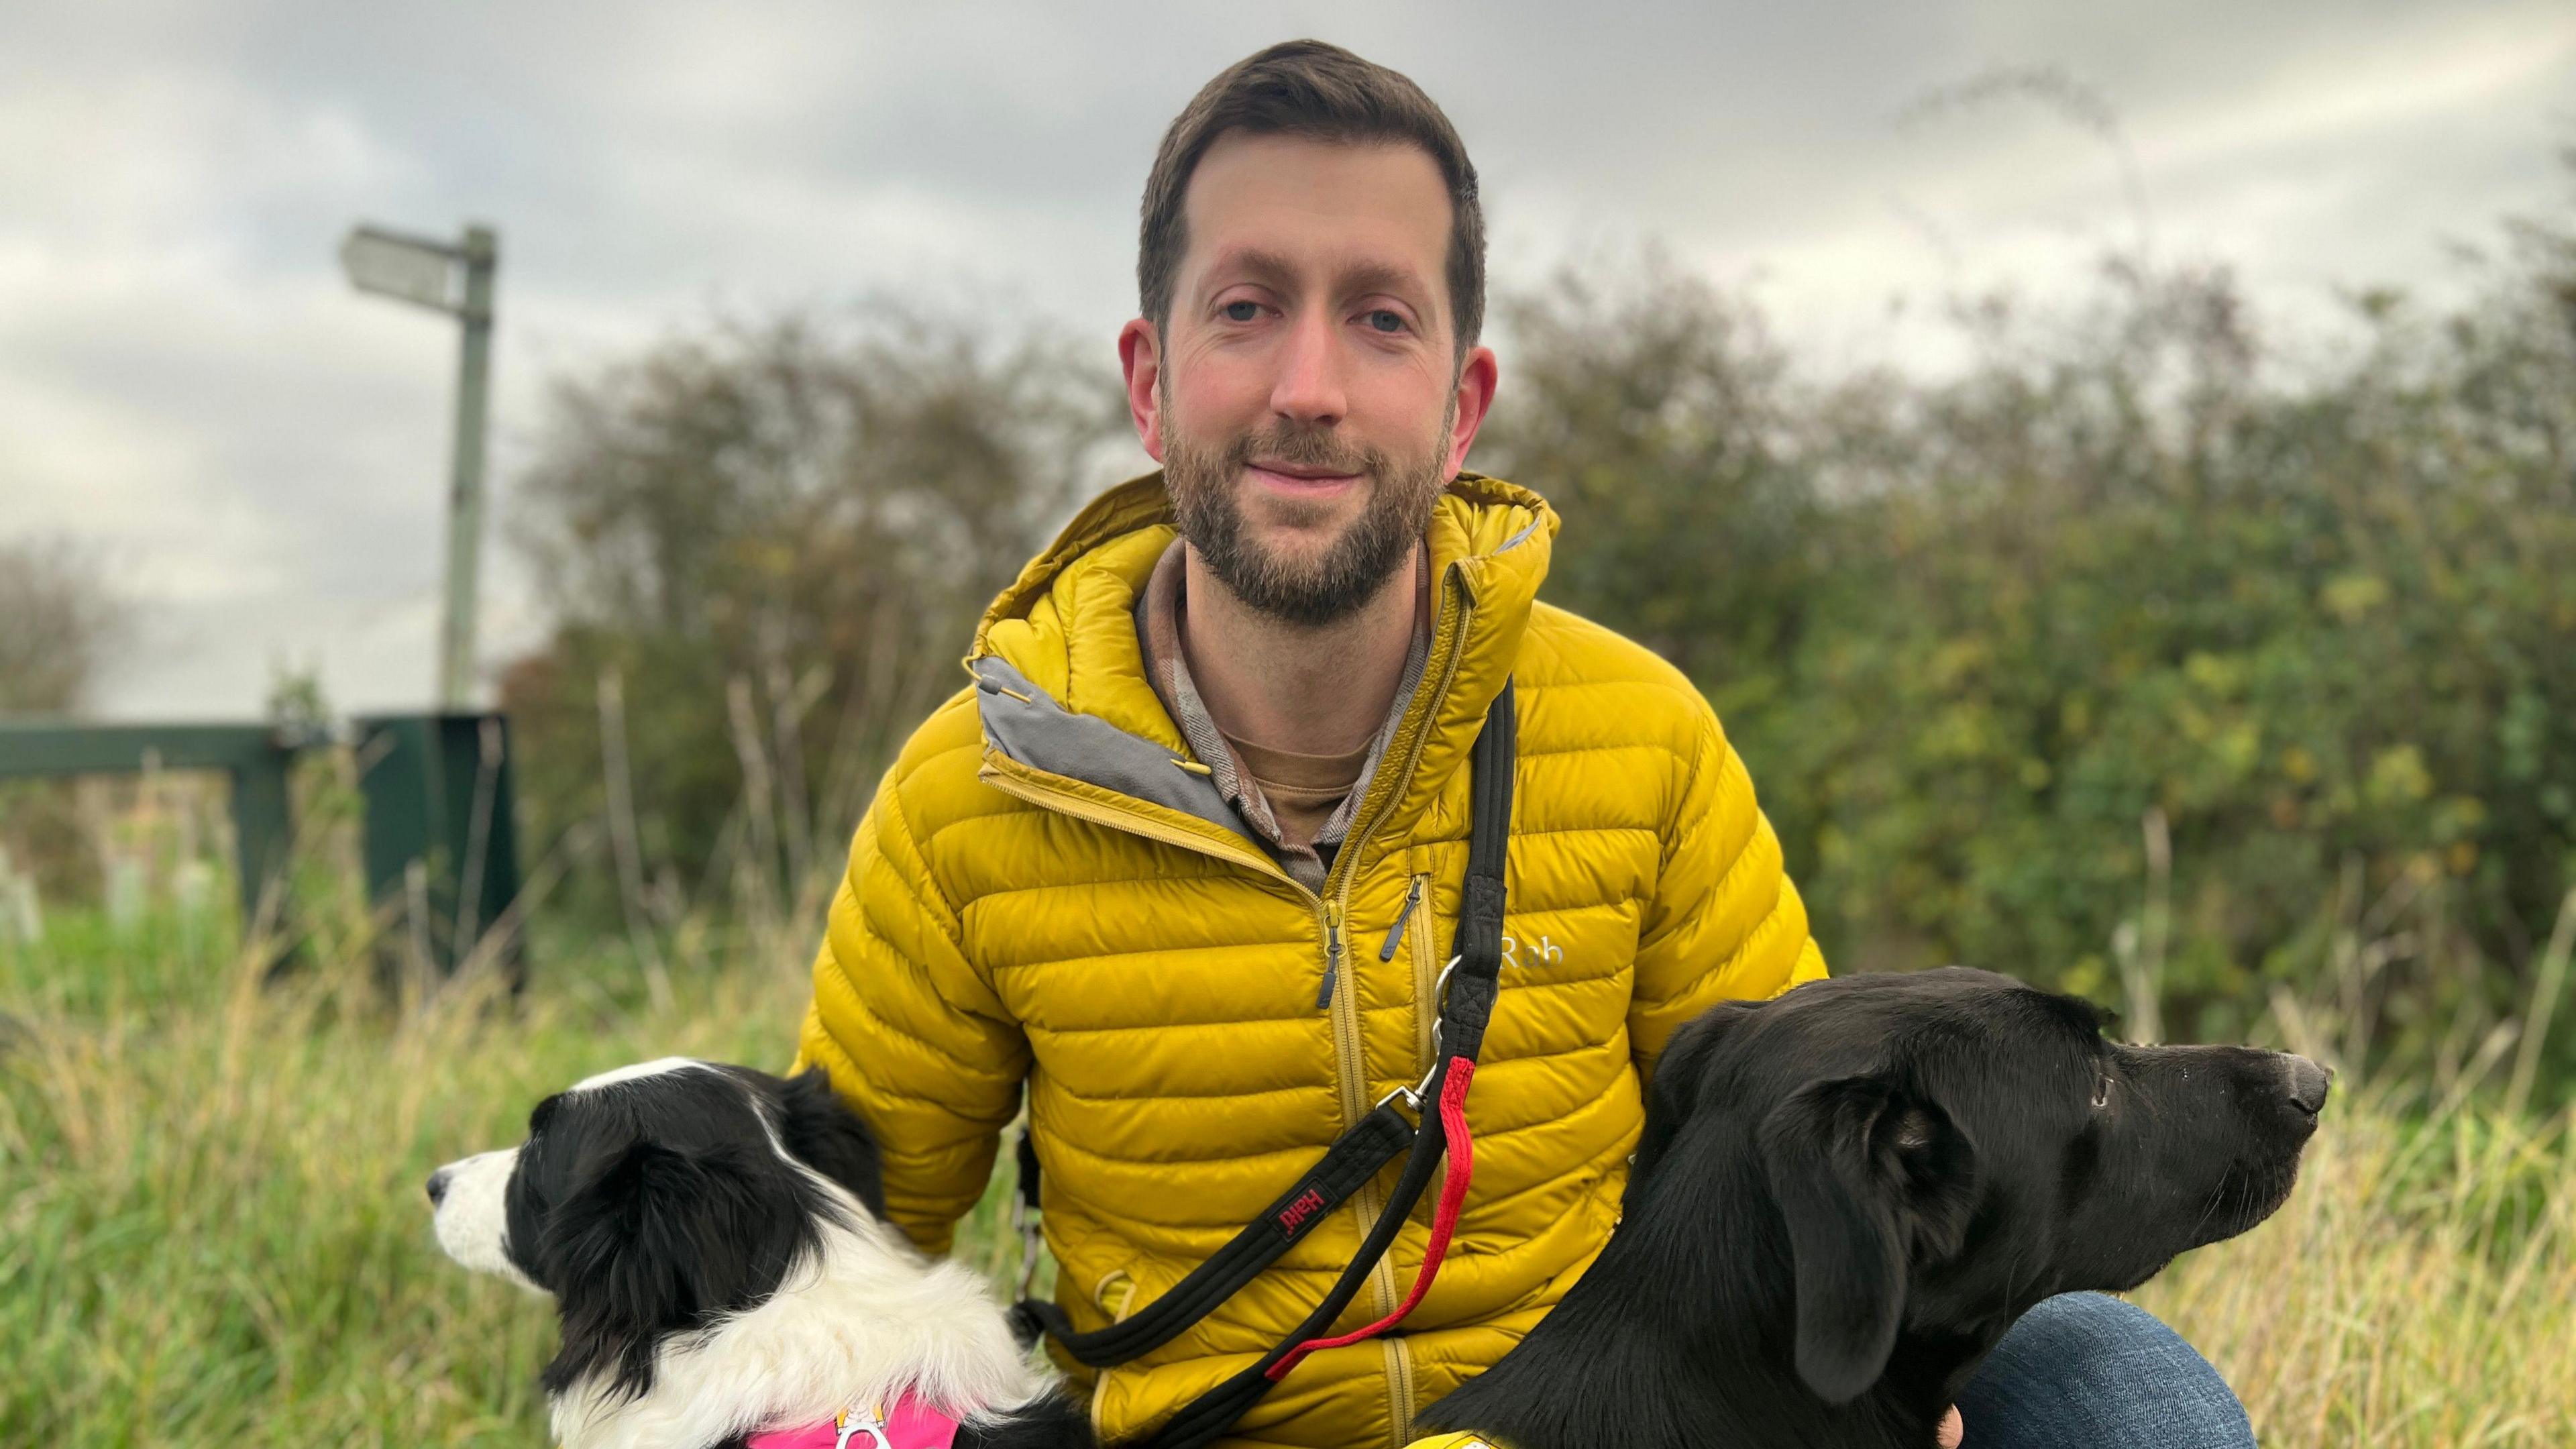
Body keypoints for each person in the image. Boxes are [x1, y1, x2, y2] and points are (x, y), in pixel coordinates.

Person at [794, 40, 2251, 1449]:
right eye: (1246, 308)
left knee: (2104, 1379)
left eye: (1381, 318)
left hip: (1620, 1429)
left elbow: (1816, 1167)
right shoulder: (964, 798)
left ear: (1462, 405)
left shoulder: (1641, 734)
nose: (1309, 385)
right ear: (1150, 378)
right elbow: (832, 1301)